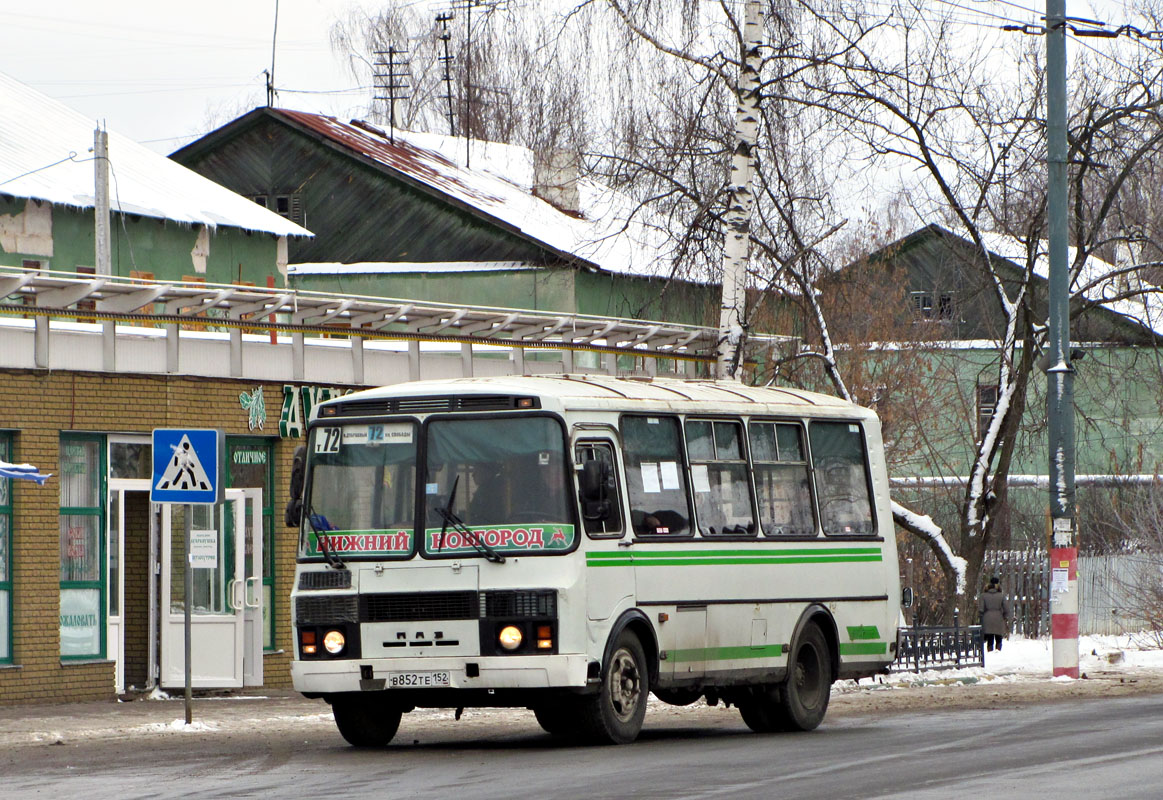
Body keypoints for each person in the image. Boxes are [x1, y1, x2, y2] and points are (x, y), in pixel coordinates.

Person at [978, 575, 1013, 652]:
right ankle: (998, 650)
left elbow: (981, 608)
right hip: (998, 617)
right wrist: (1005, 616)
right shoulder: (1001, 595)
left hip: (987, 617)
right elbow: (1006, 608)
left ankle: (990, 650)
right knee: (998, 635)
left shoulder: (983, 595)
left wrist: (981, 616)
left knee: (990, 636)